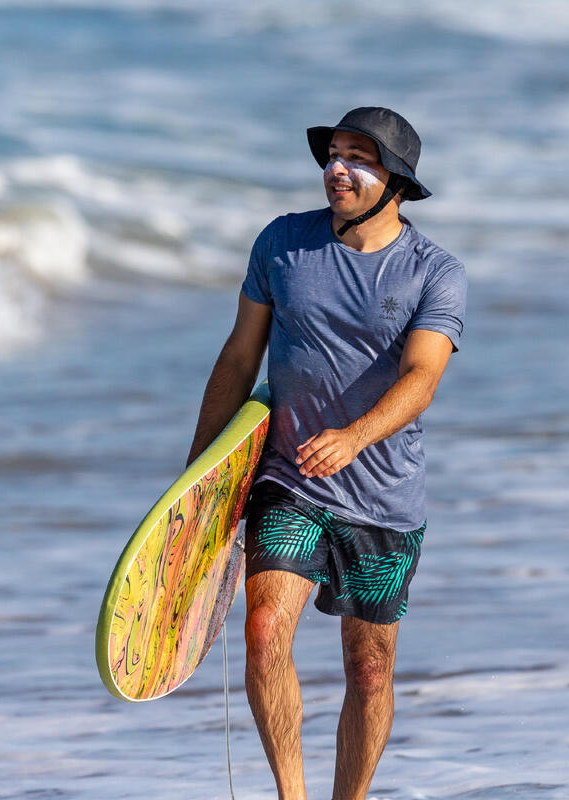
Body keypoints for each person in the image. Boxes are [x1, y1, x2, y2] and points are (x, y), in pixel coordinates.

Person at [187, 107, 467, 800]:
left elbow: (422, 377)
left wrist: (355, 437)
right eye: (332, 153)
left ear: (395, 180)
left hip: (384, 496)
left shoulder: (435, 272)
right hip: (290, 480)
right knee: (262, 632)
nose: (335, 169)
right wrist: (198, 477)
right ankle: (292, 795)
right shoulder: (282, 244)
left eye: (357, 158)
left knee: (368, 670)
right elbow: (239, 353)